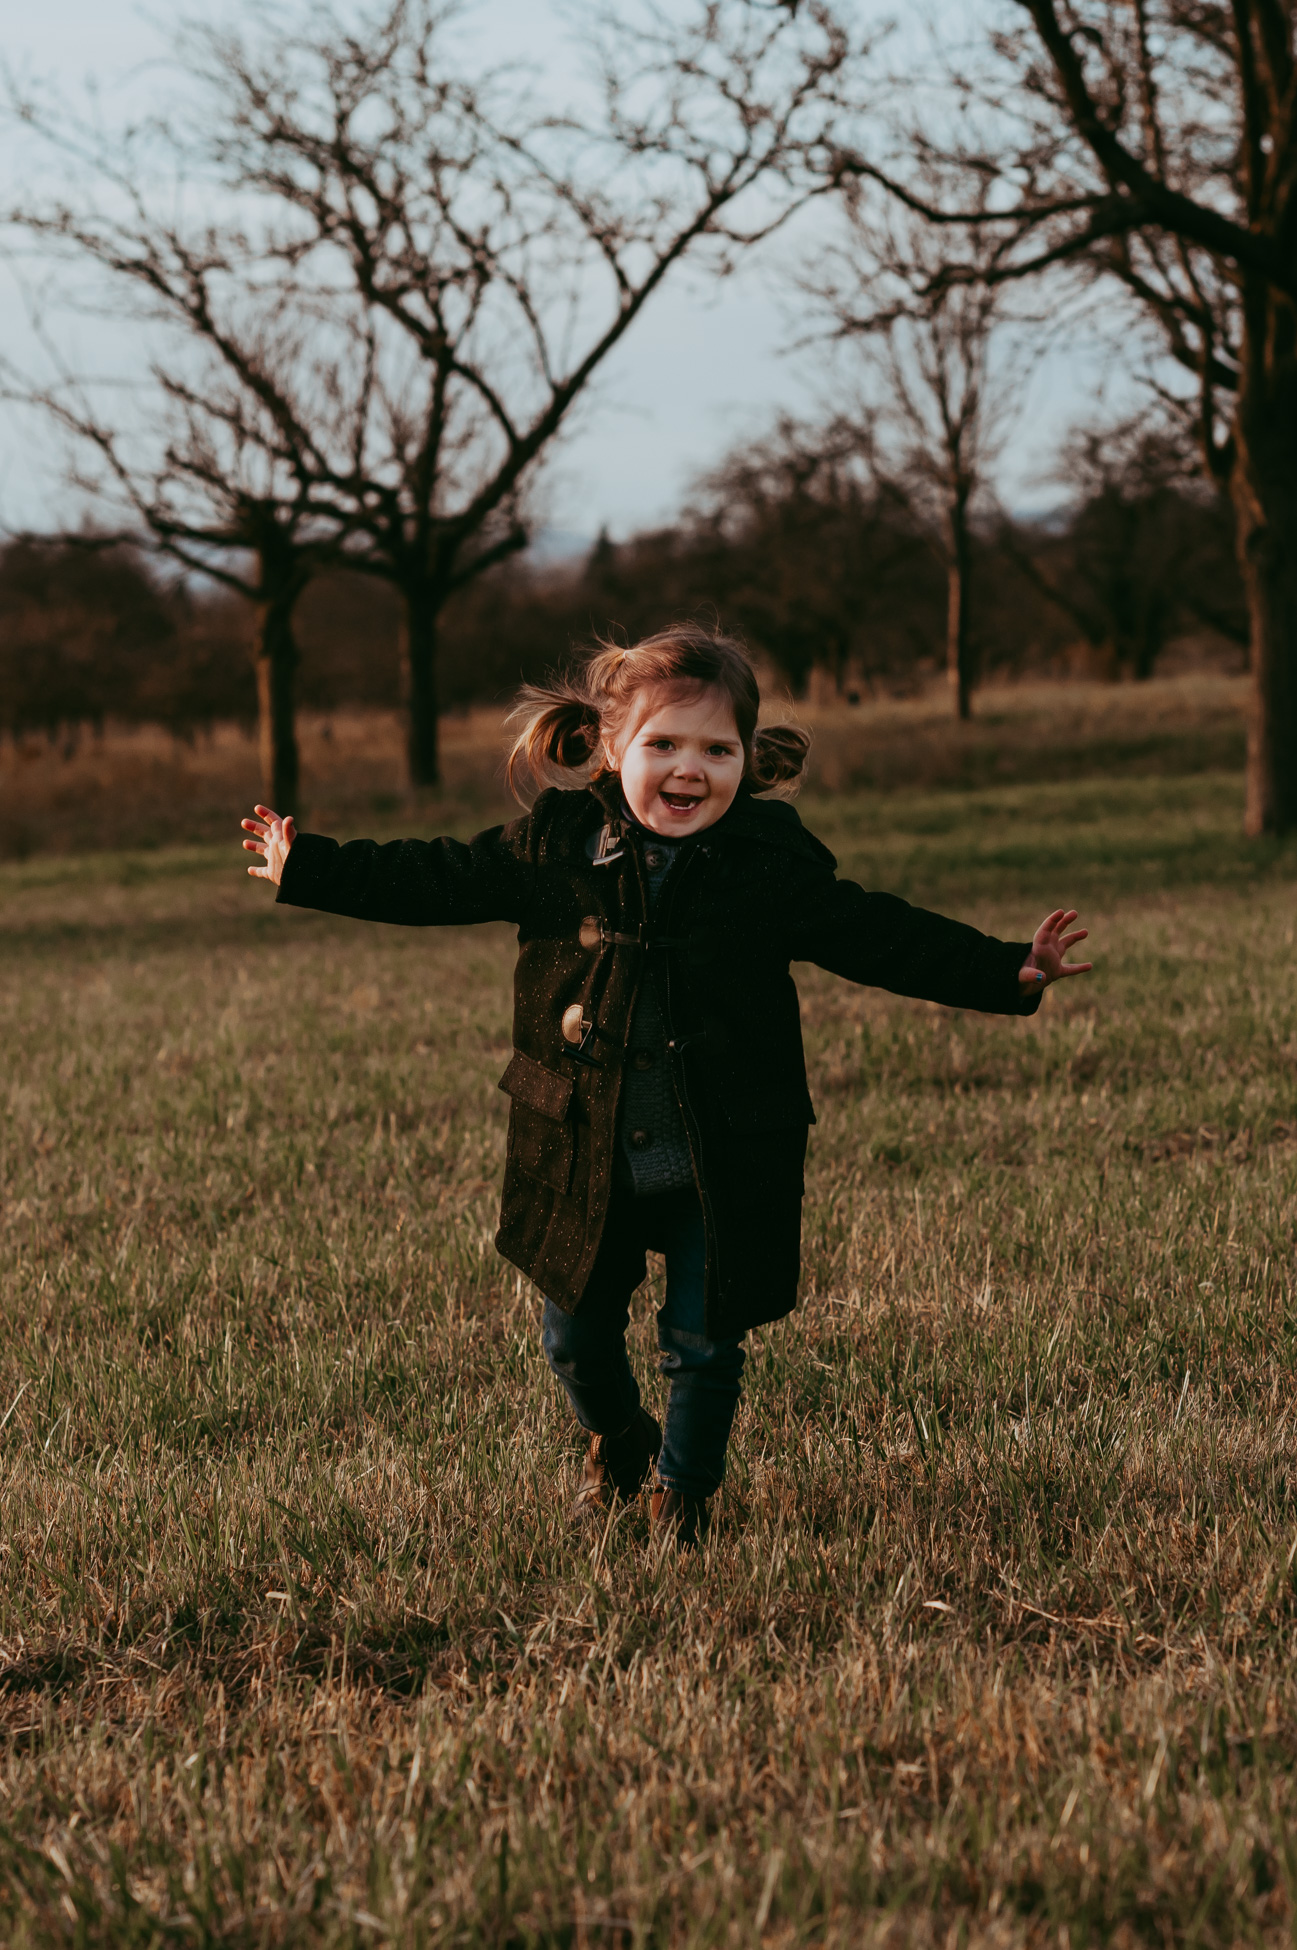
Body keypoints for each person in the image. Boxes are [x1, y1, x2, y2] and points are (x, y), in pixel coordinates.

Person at [241, 626, 1091, 1548]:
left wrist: (1004, 969)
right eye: (664, 745)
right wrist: (312, 865)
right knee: (572, 1335)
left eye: (716, 750)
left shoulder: (766, 863)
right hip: (584, 1143)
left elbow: (875, 932)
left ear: (746, 761)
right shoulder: (556, 845)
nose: (690, 770)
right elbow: (440, 874)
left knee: (705, 1340)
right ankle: (618, 1436)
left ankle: (681, 1500)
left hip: (717, 1148)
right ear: (611, 749)